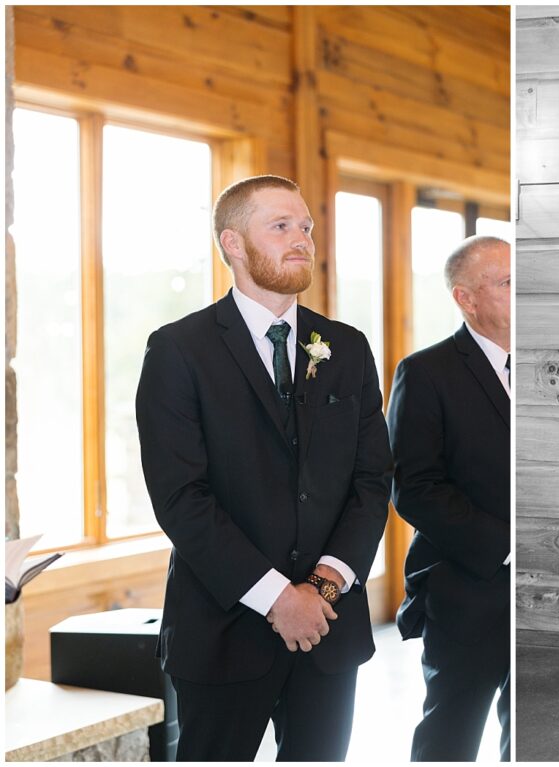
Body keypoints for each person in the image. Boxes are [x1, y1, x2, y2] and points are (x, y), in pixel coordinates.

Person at [135, 175, 392, 761]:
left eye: (305, 226)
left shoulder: (346, 347)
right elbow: (181, 496)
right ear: (232, 243)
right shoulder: (179, 350)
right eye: (281, 226)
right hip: (223, 633)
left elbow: (372, 480)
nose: (301, 238)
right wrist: (279, 598)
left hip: (329, 627)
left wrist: (321, 589)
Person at [386, 235, 511, 762]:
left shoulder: (552, 364)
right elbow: (414, 488)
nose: (523, 293)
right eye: (508, 283)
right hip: (467, 587)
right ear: (467, 298)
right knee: (450, 736)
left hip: (548, 588)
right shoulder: (426, 372)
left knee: (528, 729)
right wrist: (507, 546)